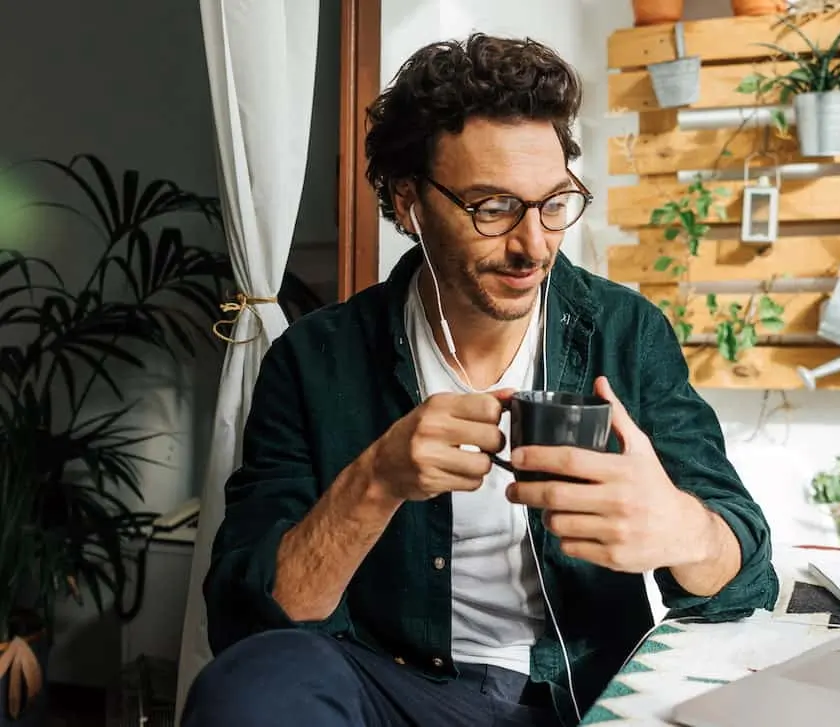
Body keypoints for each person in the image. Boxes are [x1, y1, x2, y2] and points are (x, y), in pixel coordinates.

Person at [182, 32, 779, 727]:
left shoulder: (626, 333)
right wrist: (376, 480)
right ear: (409, 201)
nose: (533, 245)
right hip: (392, 693)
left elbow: (748, 580)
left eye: (553, 203)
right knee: (252, 687)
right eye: (493, 207)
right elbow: (246, 621)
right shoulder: (315, 359)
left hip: (574, 699)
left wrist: (681, 529)